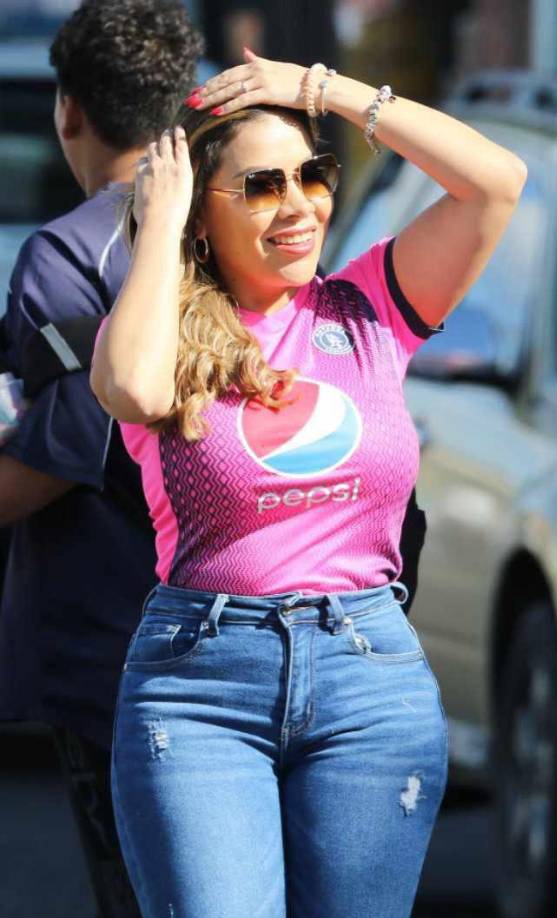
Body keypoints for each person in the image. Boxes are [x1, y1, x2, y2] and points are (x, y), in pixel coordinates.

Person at [89, 50, 526, 917]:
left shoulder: (368, 307)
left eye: (312, 176)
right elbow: (132, 391)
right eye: (259, 186)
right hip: (201, 681)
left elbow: (495, 182)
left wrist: (322, 91)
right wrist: (163, 216)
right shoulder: (156, 333)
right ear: (199, 216)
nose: (297, 207)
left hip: (369, 674)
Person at [0, 3, 202, 915]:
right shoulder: (234, 226)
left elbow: (70, 443)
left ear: (68, 110)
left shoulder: (70, 253)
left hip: (118, 649)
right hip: (258, 626)